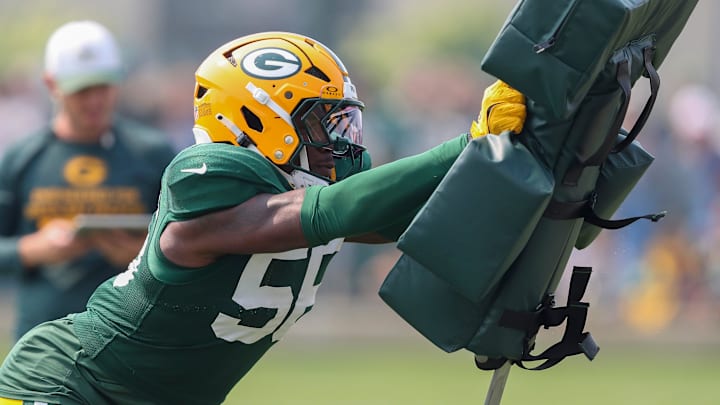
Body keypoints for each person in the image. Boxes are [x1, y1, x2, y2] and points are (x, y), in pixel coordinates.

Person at [0, 31, 526, 405]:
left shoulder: (311, 188)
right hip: (69, 386)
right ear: (261, 117)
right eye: (325, 120)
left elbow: (414, 217)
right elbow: (322, 212)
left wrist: (523, 169)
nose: (341, 139)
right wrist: (468, 143)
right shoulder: (207, 175)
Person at [0, 20, 176, 341]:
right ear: (52, 84)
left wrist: (143, 254)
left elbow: (189, 238)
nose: (95, 100)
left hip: (129, 335)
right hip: (41, 338)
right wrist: (35, 249)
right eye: (82, 89)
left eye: (103, 86)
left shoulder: (152, 153)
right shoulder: (21, 158)